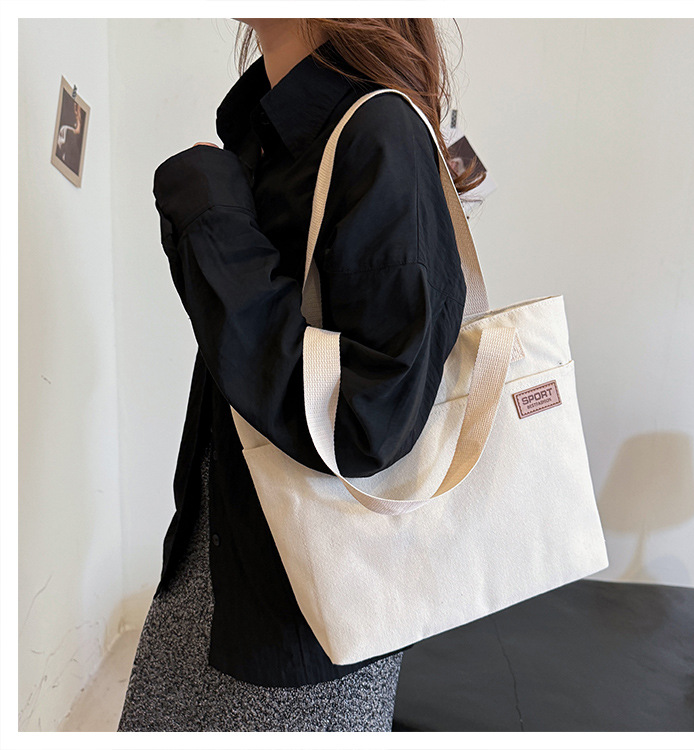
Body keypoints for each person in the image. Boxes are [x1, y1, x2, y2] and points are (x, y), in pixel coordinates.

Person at [117, 17, 484, 732]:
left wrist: (211, 217)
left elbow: (366, 421)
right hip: (220, 566)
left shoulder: (380, 133)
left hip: (305, 631)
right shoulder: (269, 134)